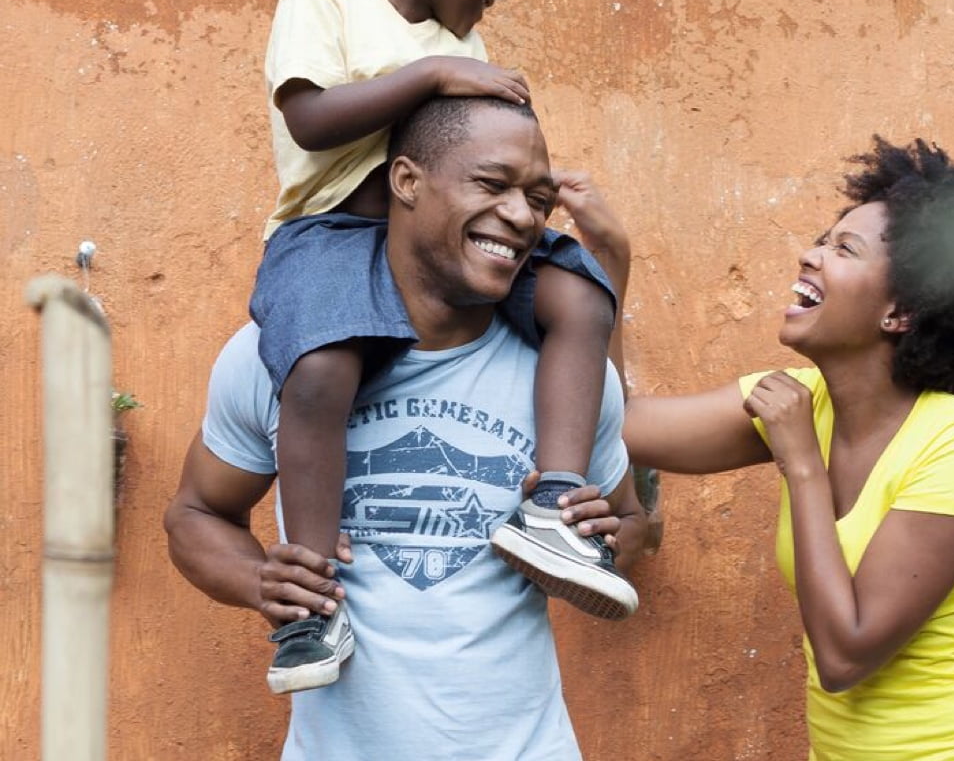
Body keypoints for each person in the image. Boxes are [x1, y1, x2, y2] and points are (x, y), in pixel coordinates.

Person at [165, 95, 647, 759]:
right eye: (491, 182)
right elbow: (196, 513)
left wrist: (605, 530)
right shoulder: (281, 357)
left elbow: (636, 521)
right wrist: (260, 583)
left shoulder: (563, 381)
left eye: (539, 199)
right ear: (407, 181)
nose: (521, 215)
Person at [250, 0, 633, 692]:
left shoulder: (467, 57)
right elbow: (309, 117)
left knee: (581, 291)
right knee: (321, 368)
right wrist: (433, 75)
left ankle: (554, 507)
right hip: (326, 237)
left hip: (435, 248)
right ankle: (313, 605)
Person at [621, 137, 954, 759]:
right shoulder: (798, 401)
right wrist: (607, 265)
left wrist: (801, 464)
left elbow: (846, 655)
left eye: (842, 248)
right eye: (823, 239)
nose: (809, 255)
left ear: (900, 311)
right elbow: (621, 425)